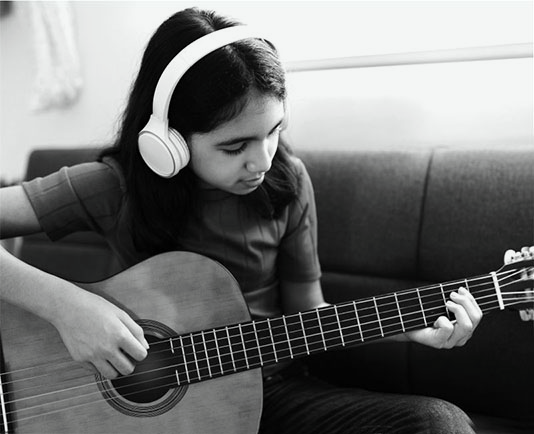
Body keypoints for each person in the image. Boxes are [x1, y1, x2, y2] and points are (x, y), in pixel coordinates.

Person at [0, 7, 489, 434]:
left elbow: (309, 311)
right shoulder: (113, 186)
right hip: (156, 420)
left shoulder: (287, 181)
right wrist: (68, 309)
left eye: (274, 131)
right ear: (167, 142)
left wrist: (410, 325)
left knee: (437, 423)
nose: (262, 160)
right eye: (235, 147)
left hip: (272, 394)